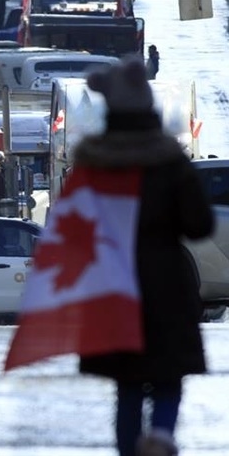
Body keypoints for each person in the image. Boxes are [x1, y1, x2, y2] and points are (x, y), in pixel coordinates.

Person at [74, 60, 214, 455]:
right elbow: (199, 224)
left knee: (128, 381)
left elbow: (75, 229)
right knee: (168, 373)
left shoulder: (93, 163)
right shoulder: (170, 160)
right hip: (167, 281)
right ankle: (163, 434)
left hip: (113, 284)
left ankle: (129, 447)